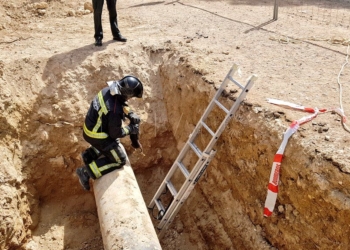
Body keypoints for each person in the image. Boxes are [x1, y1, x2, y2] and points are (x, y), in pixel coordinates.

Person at [76, 75, 143, 191]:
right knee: (119, 160)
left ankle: (89, 155)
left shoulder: (107, 90)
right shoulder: (114, 110)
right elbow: (116, 133)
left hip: (89, 129)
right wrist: (131, 128)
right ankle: (85, 172)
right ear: (126, 94)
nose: (129, 99)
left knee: (111, 143)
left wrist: (130, 113)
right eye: (130, 97)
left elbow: (119, 103)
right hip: (97, 136)